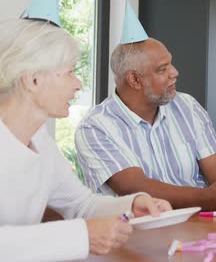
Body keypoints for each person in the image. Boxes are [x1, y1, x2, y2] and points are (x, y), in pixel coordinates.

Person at [75, 4, 216, 212]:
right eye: (163, 69)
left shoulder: (187, 106)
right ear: (135, 80)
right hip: (136, 235)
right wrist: (208, 198)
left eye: (170, 64)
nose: (175, 72)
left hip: (197, 229)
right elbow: (134, 187)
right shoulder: (96, 127)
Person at [0, 17, 171, 261]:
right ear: (32, 79)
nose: (78, 84)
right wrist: (82, 236)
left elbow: (81, 205)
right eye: (69, 72)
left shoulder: (40, 141)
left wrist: (131, 206)